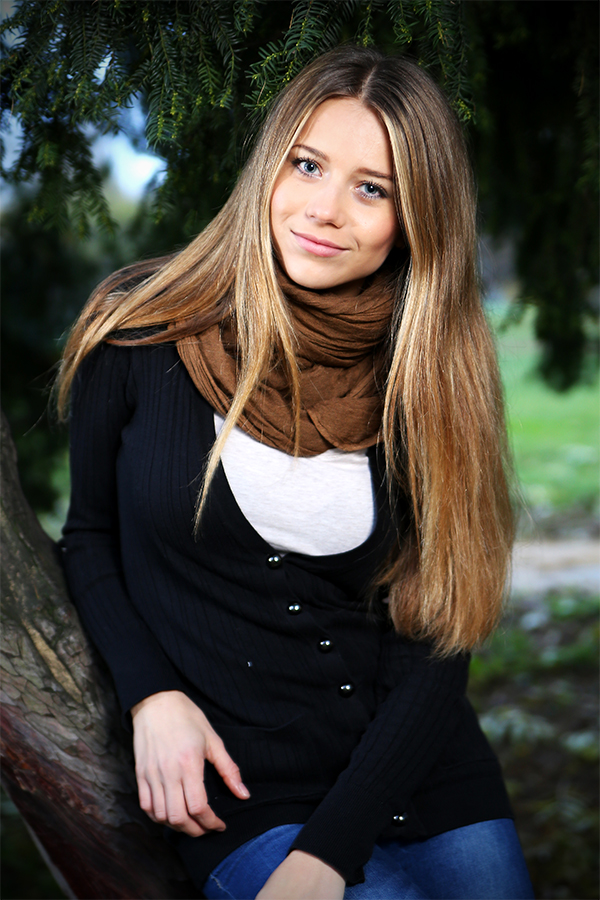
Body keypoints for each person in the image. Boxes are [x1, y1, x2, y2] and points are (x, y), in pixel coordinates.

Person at [57, 46, 535, 900]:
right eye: (308, 164)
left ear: (414, 217)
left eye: (372, 187)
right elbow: (89, 538)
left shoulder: (427, 369)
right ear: (269, 163)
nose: (324, 210)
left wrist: (331, 852)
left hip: (421, 777)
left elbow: (438, 634)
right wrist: (151, 696)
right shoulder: (141, 326)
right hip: (245, 792)